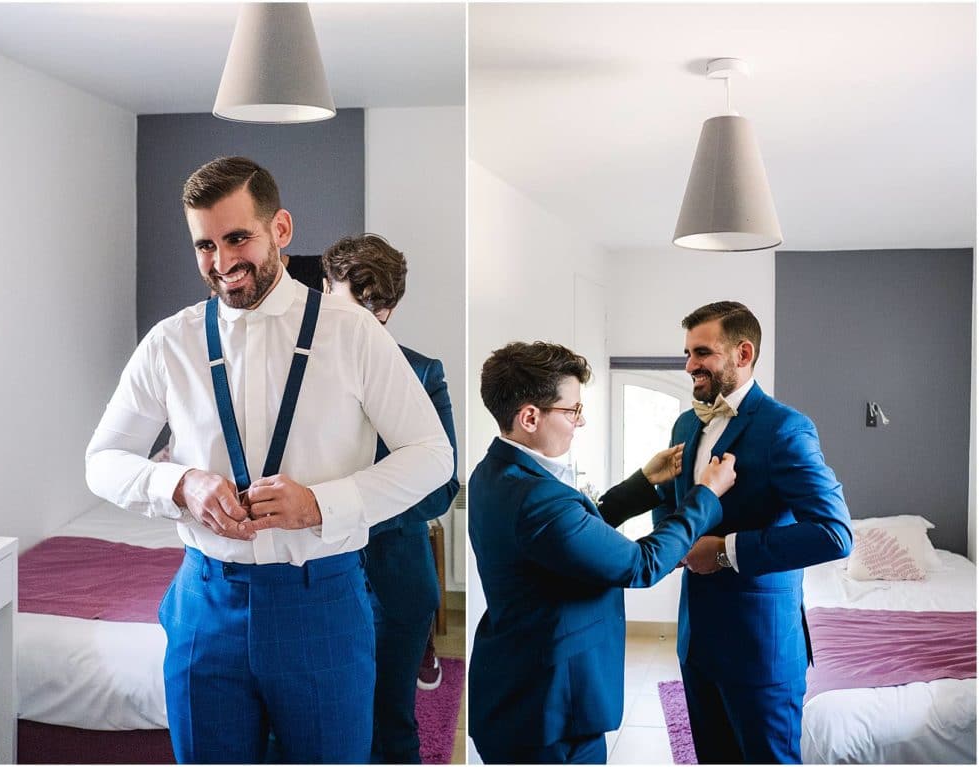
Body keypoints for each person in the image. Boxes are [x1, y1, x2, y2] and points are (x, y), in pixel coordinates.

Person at [84, 156, 453, 764]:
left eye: (237, 238)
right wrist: (180, 483)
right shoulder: (170, 342)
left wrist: (322, 504)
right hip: (206, 603)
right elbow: (103, 460)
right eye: (204, 245)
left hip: (322, 604)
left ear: (280, 229)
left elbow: (432, 454)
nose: (222, 262)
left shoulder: (354, 332)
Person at [599, 301, 853, 764]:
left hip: (761, 648)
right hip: (696, 641)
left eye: (702, 352)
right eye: (687, 353)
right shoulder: (684, 423)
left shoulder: (785, 429)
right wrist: (674, 547)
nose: (689, 365)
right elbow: (671, 504)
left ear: (743, 353)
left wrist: (724, 551)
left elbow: (835, 533)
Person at [468, 341, 736, 764]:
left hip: (518, 687)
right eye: (572, 411)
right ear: (530, 417)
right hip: (550, 712)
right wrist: (705, 495)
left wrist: (644, 482)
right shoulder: (536, 498)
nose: (581, 421)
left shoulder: (494, 472)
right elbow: (639, 565)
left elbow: (575, 537)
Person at [320, 233, 460, 764]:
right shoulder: (291, 370)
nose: (361, 316)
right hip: (312, 576)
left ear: (390, 309)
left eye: (374, 305)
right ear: (324, 288)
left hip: (396, 577)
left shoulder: (423, 372)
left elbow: (442, 487)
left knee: (390, 723)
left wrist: (346, 513)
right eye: (348, 298)